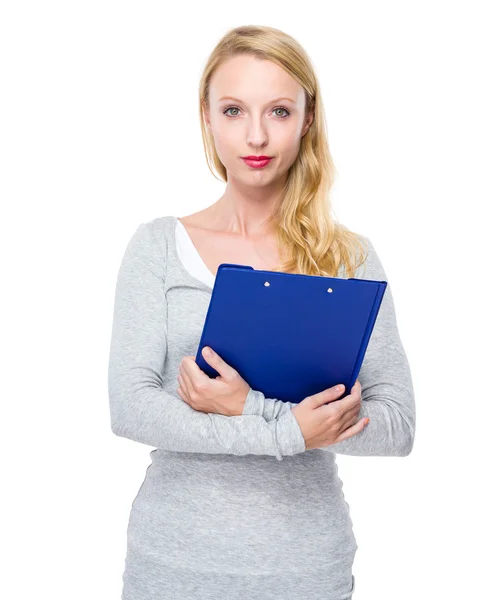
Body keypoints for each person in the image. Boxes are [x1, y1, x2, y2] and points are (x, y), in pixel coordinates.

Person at [108, 24, 416, 600]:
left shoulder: (347, 258)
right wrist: (289, 430)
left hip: (303, 571)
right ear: (206, 116)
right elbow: (131, 409)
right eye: (232, 110)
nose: (255, 135)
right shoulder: (156, 248)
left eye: (277, 111)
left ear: (306, 118)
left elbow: (396, 427)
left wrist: (248, 407)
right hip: (174, 565)